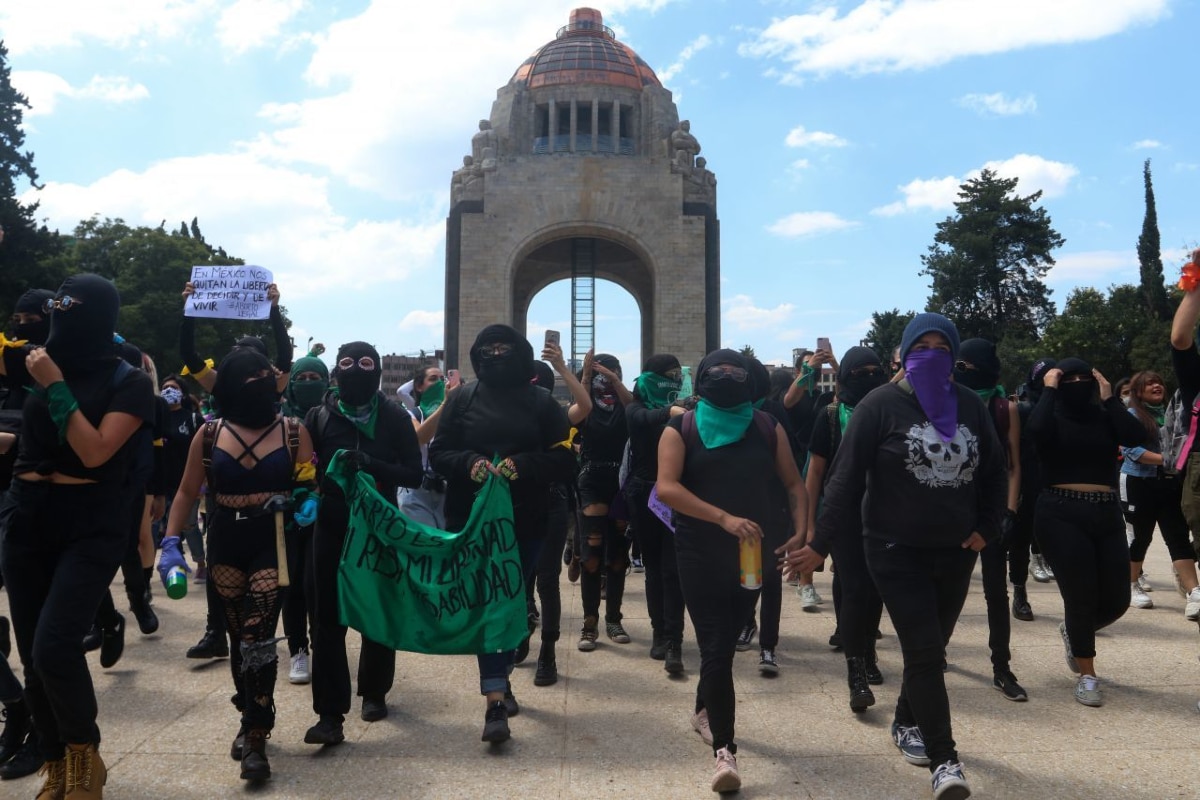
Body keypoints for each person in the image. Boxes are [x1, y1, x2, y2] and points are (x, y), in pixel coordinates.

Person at [786, 313, 1007, 800]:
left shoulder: (969, 405)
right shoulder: (878, 405)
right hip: (891, 548)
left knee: (933, 648)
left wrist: (988, 528)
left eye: (941, 346)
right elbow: (842, 481)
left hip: (954, 551)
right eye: (921, 345)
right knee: (925, 653)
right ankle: (946, 761)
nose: (932, 354)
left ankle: (907, 719)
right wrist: (818, 545)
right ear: (905, 353)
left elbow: (994, 469)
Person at [1, 274, 156, 799]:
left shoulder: (129, 381)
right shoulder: (35, 362)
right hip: (26, 518)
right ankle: (55, 764)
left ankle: (85, 758)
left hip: (90, 522)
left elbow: (95, 451)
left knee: (54, 645)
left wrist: (54, 384)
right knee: (31, 654)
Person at [160, 347, 315, 781]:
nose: (263, 379)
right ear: (229, 385)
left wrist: (307, 501)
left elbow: (310, 481)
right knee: (235, 635)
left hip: (273, 538)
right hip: (226, 537)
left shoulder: (293, 430)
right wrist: (171, 542)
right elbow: (188, 491)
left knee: (258, 634)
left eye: (267, 372)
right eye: (252, 375)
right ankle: (249, 709)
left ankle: (255, 735)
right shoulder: (208, 435)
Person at [657, 349, 807, 793]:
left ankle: (704, 709)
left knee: (728, 637)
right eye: (717, 371)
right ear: (702, 379)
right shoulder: (679, 426)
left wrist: (801, 531)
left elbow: (794, 484)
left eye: (736, 370)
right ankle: (726, 751)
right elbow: (667, 488)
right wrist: (722, 517)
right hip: (699, 550)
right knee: (716, 647)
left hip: (752, 554)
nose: (726, 376)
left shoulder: (766, 425)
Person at [429, 324, 575, 743]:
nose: (496, 354)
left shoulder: (543, 402)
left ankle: (502, 673)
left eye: (504, 348)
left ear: (521, 353)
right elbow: (439, 453)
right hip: (471, 523)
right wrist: (470, 463)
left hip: (526, 520)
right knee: (488, 602)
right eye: (488, 348)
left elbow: (565, 460)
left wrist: (524, 466)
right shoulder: (461, 398)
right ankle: (495, 697)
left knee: (511, 599)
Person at [303, 342, 422, 746]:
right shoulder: (319, 416)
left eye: (366, 364)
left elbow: (413, 473)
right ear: (337, 371)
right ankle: (329, 714)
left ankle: (374, 690)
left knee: (377, 607)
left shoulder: (393, 416)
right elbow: (305, 470)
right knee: (326, 617)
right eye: (348, 364)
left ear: (377, 372)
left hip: (379, 526)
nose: (357, 371)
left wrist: (372, 466)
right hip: (332, 523)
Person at [1027, 357, 1144, 708]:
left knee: (1117, 599)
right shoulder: (1049, 414)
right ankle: (1087, 675)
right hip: (1060, 512)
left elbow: (1136, 437)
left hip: (1106, 513)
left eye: (1084, 377)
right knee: (1080, 596)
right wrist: (1048, 389)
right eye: (1069, 378)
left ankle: (1074, 631)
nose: (1077, 383)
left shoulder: (1106, 415)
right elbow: (1034, 433)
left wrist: (1110, 398)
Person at [802, 346, 889, 712]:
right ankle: (856, 669)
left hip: (887, 513)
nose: (869, 377)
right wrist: (809, 526)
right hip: (844, 515)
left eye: (875, 371)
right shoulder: (830, 415)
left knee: (877, 590)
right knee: (854, 587)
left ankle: (868, 649)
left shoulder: (891, 410)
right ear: (845, 376)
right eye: (860, 372)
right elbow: (815, 473)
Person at [952, 339, 1027, 702]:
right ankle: (936, 653)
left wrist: (1009, 511)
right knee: (946, 590)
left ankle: (1002, 666)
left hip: (991, 511)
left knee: (997, 593)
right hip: (952, 509)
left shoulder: (1003, 407)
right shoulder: (945, 400)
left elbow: (1013, 464)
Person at [0, 288, 54, 781]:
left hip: (22, 509)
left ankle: (37, 725)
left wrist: (12, 439)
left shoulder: (45, 367)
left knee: (37, 635)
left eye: (29, 319)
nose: (20, 326)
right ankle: (13, 702)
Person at [625, 354, 687, 673]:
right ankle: (659, 633)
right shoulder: (636, 408)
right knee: (653, 569)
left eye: (678, 375)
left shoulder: (688, 409)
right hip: (644, 496)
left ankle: (674, 639)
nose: (673, 380)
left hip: (678, 496)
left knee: (672, 570)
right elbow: (641, 420)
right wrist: (670, 411)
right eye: (668, 375)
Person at [569, 349, 635, 652]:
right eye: (600, 375)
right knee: (592, 555)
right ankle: (590, 622)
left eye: (611, 373)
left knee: (618, 557)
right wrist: (584, 376)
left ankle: (614, 619)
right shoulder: (586, 405)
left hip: (620, 481)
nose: (604, 381)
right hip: (592, 479)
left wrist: (615, 381)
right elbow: (578, 411)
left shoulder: (625, 405)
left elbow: (635, 408)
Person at [1120, 370, 1200, 617]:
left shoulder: (1174, 412)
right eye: (1149, 383)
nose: (1156, 386)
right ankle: (1131, 586)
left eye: (1159, 382)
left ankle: (1194, 593)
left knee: (1177, 537)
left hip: (1168, 484)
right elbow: (1133, 451)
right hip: (1138, 483)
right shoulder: (1131, 415)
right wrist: (1173, 461)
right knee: (1139, 538)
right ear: (1138, 391)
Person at [279, 351, 329, 685]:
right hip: (285, 513)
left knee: (319, 587)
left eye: (315, 378)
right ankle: (299, 650)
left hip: (325, 513)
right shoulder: (275, 418)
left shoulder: (332, 416)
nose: (308, 384)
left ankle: (323, 648)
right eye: (302, 378)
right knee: (292, 586)